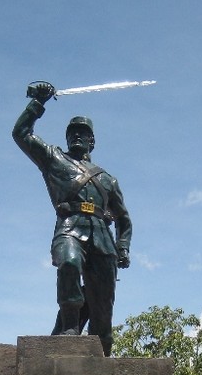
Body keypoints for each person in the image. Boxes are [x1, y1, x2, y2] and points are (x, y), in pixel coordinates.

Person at [13, 80, 132, 356]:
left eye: (83, 133)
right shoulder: (54, 159)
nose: (77, 136)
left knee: (103, 312)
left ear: (93, 140)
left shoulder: (107, 179)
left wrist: (123, 247)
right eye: (73, 132)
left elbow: (124, 219)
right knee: (68, 263)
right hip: (69, 227)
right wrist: (38, 103)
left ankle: (100, 363)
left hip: (103, 238)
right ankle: (69, 327)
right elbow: (21, 133)